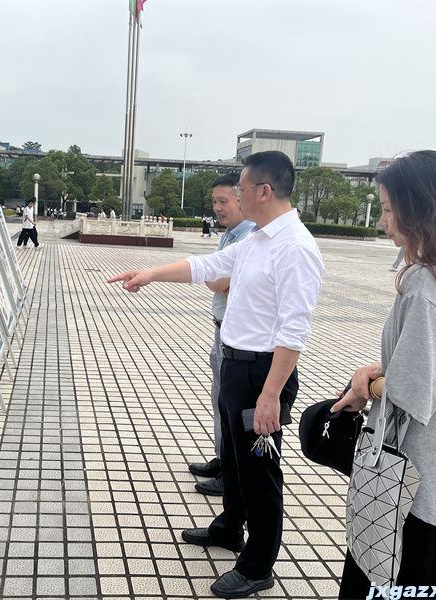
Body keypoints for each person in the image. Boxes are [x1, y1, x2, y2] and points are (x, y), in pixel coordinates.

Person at [108, 151, 323, 598]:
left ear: (265, 191)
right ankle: (229, 527)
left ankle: (258, 565)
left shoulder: (296, 247)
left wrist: (271, 396)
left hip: (263, 375)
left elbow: (294, 331)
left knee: (261, 473)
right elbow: (206, 266)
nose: (237, 197)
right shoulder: (259, 240)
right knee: (238, 464)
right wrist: (150, 273)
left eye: (242, 189)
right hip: (235, 365)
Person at [332, 151, 436, 596]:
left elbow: (413, 391)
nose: (384, 221)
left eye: (389, 209)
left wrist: (364, 383)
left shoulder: (427, 285)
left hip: (412, 486)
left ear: (420, 210)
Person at [188, 175, 255, 497]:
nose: (217, 208)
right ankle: (223, 458)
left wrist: (215, 278)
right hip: (222, 329)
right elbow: (215, 278)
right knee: (220, 402)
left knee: (230, 405)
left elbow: (217, 281)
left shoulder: (250, 237)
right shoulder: (230, 237)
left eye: (223, 201)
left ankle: (231, 473)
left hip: (239, 339)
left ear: (242, 200)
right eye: (214, 202)